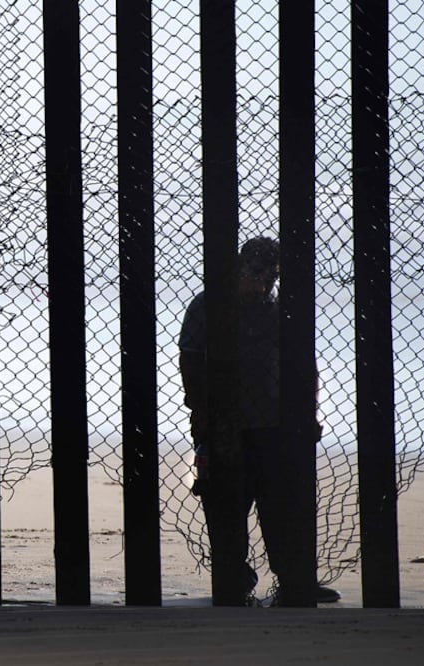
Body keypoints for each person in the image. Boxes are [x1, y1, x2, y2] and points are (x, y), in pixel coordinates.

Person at [178, 236, 339, 606]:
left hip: (274, 425)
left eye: (270, 275)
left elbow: (304, 366)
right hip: (225, 424)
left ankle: (292, 579)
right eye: (256, 273)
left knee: (282, 507)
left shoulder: (278, 310)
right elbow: (190, 359)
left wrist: (310, 412)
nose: (263, 283)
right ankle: (235, 580)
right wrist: (200, 412)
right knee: (227, 507)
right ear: (238, 268)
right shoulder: (208, 306)